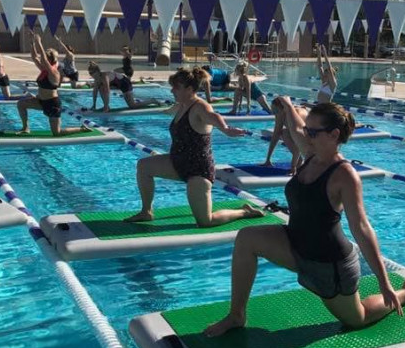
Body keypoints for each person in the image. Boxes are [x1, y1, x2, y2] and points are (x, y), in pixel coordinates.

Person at [205, 99, 405, 337]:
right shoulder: (310, 155)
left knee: (357, 319)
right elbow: (297, 127)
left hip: (328, 263)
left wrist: (384, 281)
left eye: (312, 131)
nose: (305, 135)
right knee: (246, 239)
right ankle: (237, 315)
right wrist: (288, 106)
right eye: (307, 130)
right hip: (295, 244)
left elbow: (361, 227)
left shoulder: (344, 175)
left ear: (334, 135)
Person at [124, 67, 264, 227]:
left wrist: (225, 129)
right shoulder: (181, 105)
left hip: (198, 170)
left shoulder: (199, 107)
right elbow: (168, 111)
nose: (172, 90)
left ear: (190, 89)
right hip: (177, 162)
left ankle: (244, 211)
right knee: (144, 166)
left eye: (176, 87)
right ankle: (146, 212)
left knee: (206, 221)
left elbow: (214, 116)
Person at [15, 31, 87, 136]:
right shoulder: (44, 70)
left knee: (56, 133)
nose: (43, 60)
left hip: (52, 105)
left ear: (50, 60)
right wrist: (32, 43)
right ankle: (26, 128)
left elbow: (43, 58)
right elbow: (35, 57)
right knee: (21, 104)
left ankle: (81, 129)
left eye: (47, 59)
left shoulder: (54, 73)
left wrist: (39, 42)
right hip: (41, 101)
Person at [86, 62, 161, 111]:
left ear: (97, 71)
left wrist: (105, 107)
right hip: (117, 85)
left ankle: (152, 101)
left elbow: (107, 90)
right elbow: (94, 92)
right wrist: (94, 105)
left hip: (125, 84)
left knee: (132, 106)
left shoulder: (104, 76)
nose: (91, 75)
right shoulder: (97, 79)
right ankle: (107, 106)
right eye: (90, 73)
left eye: (92, 72)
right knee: (100, 87)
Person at [262, 97, 308, 175]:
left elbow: (297, 148)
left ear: (283, 108)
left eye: (276, 111)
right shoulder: (281, 114)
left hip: (312, 139)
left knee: (286, 134)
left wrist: (293, 168)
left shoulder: (295, 116)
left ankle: (298, 165)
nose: (274, 113)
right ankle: (298, 162)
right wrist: (268, 159)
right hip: (303, 136)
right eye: (273, 111)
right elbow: (275, 136)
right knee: (284, 132)